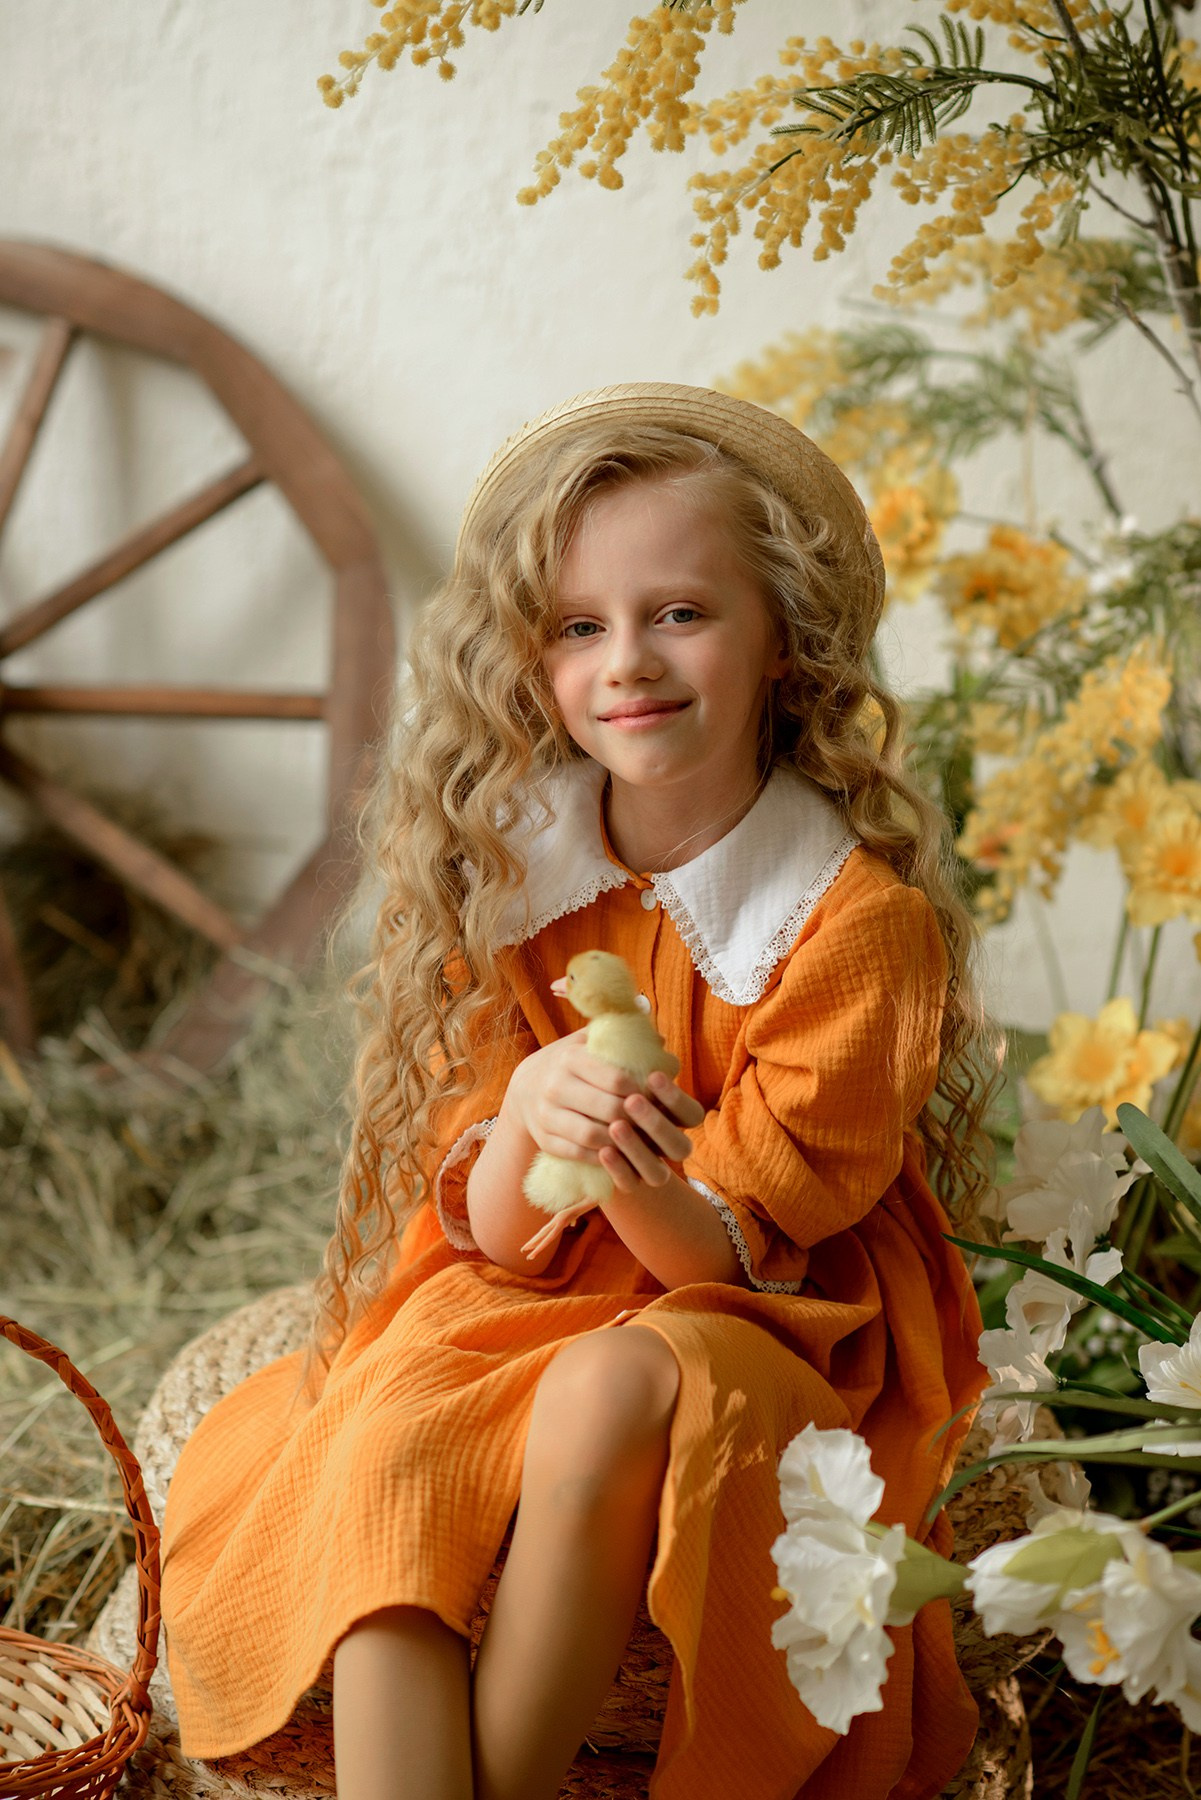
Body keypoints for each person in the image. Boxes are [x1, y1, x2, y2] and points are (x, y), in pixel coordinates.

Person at [158, 382, 1003, 1800]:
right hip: (530, 1287)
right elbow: (486, 1232)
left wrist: (627, 1168)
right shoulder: (517, 879)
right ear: (529, 657)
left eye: (680, 612)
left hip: (767, 1312)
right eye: (576, 626)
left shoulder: (852, 926)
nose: (628, 662)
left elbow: (745, 1249)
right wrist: (536, 1108)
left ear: (784, 639)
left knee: (615, 1383)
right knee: (386, 1429)